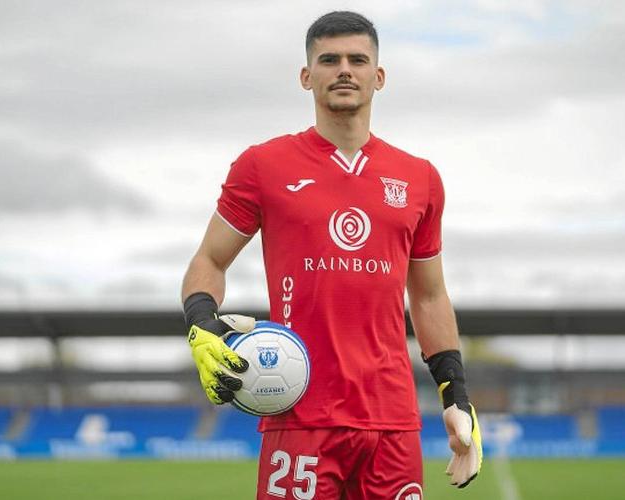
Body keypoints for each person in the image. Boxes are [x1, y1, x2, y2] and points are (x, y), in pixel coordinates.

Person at [181, 11, 482, 499]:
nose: (344, 69)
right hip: (299, 412)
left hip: (391, 419)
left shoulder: (420, 179)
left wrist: (456, 392)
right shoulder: (262, 166)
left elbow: (429, 296)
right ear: (306, 76)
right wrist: (201, 323)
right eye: (329, 60)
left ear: (378, 76)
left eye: (357, 60)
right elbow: (209, 261)